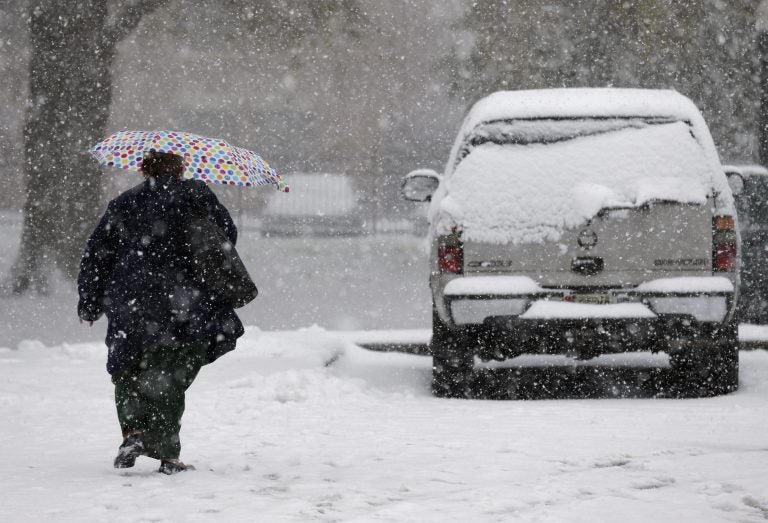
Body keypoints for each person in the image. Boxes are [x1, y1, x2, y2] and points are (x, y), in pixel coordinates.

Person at [77, 150, 244, 474]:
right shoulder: (196, 195)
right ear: (180, 168)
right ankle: (168, 455)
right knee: (171, 374)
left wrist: (90, 301)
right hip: (184, 302)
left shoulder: (124, 202)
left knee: (127, 368)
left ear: (143, 169)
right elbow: (228, 237)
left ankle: (133, 433)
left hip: (131, 301)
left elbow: (96, 254)